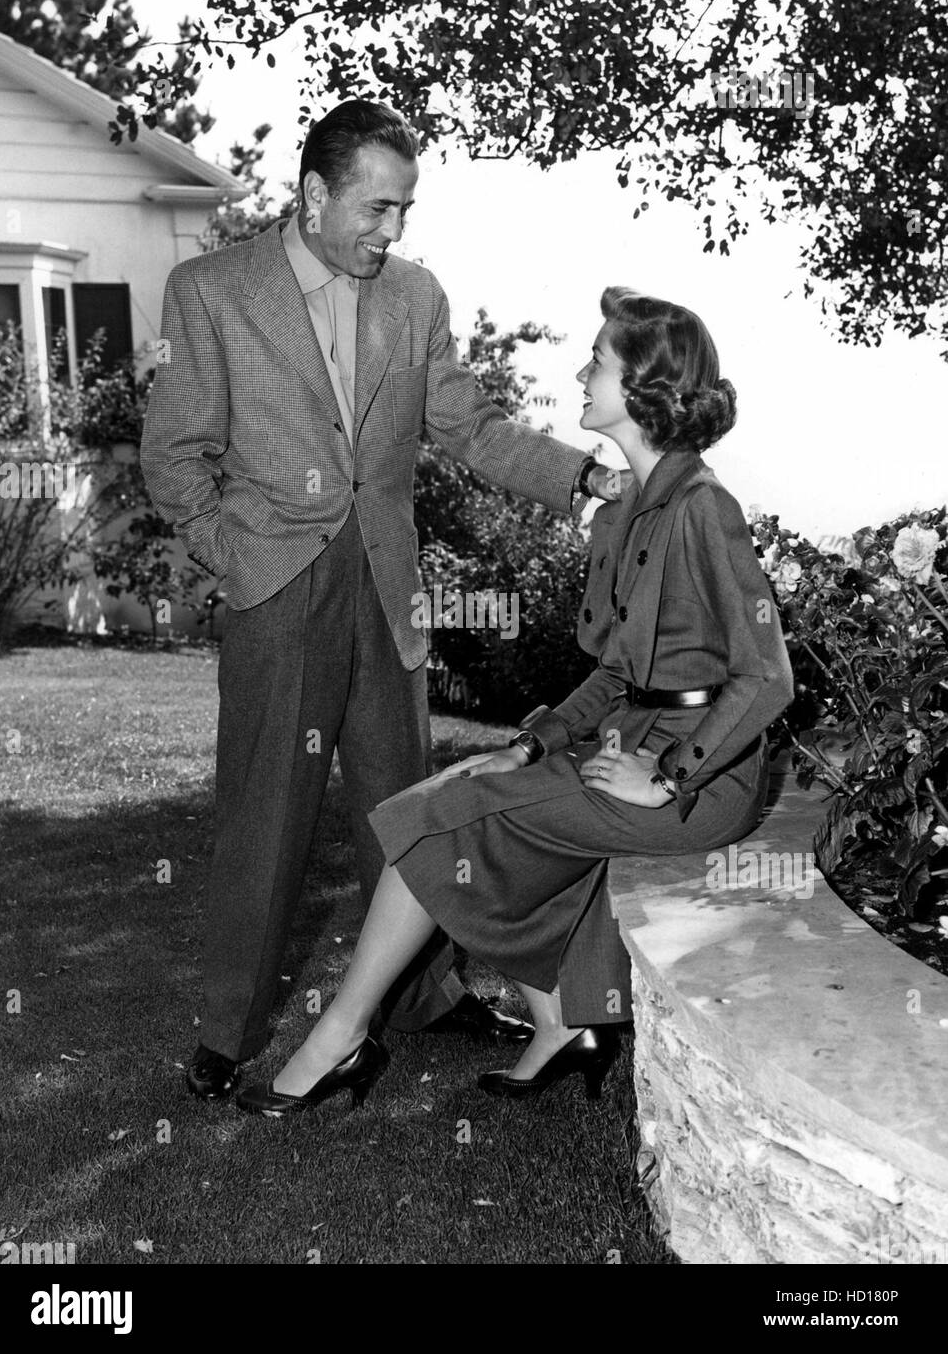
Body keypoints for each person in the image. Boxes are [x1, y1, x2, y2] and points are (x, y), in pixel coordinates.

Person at [141, 100, 619, 1103]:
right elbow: (176, 456)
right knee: (264, 810)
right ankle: (231, 1028)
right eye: (375, 208)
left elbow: (472, 426)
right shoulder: (211, 291)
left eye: (403, 210)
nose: (390, 231)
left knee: (406, 806)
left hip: (386, 580)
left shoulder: (415, 296)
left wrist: (579, 478)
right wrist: (237, 555)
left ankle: (423, 994)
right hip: (278, 584)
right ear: (314, 197)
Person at [235, 287, 796, 1116]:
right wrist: (533, 744)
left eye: (597, 361)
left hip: (700, 783)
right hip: (629, 745)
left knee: (439, 818)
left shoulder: (703, 511)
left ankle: (342, 1033)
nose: (579, 371)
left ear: (642, 388)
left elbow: (767, 675)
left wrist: (671, 776)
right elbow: (615, 673)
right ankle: (559, 1023)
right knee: (451, 807)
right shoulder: (627, 513)